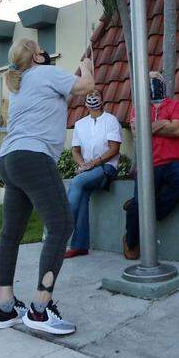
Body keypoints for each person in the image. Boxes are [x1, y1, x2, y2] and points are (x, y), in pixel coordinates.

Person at [0, 38, 94, 336]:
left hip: (9, 159)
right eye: (40, 49)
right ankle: (39, 309)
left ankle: (5, 308)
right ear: (36, 56)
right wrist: (87, 68)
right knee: (61, 225)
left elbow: (65, 89)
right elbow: (86, 88)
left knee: (10, 234)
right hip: (34, 157)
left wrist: (77, 74)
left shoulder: (21, 84)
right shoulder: (45, 73)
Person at [122, 70, 179, 261]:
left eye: (156, 79)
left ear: (163, 83)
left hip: (173, 161)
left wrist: (152, 126)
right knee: (138, 206)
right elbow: (138, 132)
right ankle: (130, 242)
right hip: (148, 163)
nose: (153, 82)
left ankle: (154, 210)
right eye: (149, 79)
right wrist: (165, 123)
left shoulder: (175, 105)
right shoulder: (139, 107)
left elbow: (177, 129)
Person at [64, 91, 121, 259]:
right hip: (88, 169)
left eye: (96, 96)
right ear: (85, 103)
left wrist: (91, 164)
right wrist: (82, 165)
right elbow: (75, 150)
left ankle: (62, 228)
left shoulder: (111, 120)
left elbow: (114, 149)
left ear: (103, 100)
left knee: (77, 182)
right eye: (90, 96)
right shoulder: (80, 124)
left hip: (107, 167)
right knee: (82, 195)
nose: (93, 99)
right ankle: (79, 245)